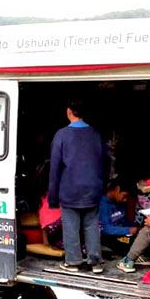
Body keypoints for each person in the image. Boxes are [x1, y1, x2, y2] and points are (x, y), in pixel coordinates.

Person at [48, 100, 104, 274]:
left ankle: (73, 262)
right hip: (93, 188)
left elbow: (55, 168)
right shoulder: (95, 134)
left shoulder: (62, 135)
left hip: (70, 189)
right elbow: (103, 162)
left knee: (71, 226)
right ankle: (96, 263)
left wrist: (52, 197)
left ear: (69, 112)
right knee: (91, 225)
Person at [99, 179, 146, 259]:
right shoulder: (102, 204)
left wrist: (135, 228)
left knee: (142, 238)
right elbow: (106, 229)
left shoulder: (120, 203)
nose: (125, 199)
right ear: (117, 189)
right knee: (131, 245)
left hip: (121, 234)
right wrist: (128, 230)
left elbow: (124, 221)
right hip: (107, 237)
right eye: (125, 196)